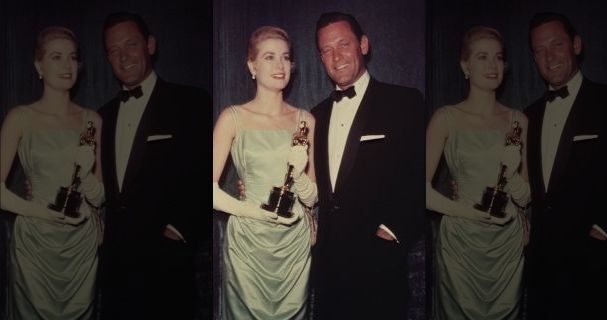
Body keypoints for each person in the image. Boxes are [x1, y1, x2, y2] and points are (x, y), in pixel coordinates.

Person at [97, 12, 212, 319]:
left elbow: (205, 173)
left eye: (130, 44)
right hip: (114, 268)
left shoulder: (190, 102)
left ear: (149, 45)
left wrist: (181, 229)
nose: (123, 56)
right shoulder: (101, 117)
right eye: (113, 50)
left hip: (167, 265)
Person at [311, 12, 425, 319]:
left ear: (363, 45)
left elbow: (420, 175)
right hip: (328, 267)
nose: (336, 57)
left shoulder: (403, 102)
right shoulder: (314, 116)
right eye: (326, 50)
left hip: (379, 263)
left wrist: (394, 231)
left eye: (343, 44)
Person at [524, 12, 607, 320]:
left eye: (556, 44)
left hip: (592, 267)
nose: (549, 56)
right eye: (539, 50)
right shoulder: (527, 116)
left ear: (576, 45)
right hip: (540, 272)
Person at [212, 25, 316, 319]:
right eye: (269, 57)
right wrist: (255, 212)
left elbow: (312, 196)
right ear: (251, 65)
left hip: (293, 246)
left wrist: (298, 174)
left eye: (285, 57)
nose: (280, 65)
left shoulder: (305, 120)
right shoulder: (232, 117)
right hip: (248, 244)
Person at [425, 26, 530, 319]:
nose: (493, 65)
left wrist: (510, 174)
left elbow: (526, 196)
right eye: (482, 57)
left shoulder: (518, 120)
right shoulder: (446, 118)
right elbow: (420, 190)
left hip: (506, 245)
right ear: (465, 66)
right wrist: (467, 211)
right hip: (461, 243)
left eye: (498, 57)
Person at [0, 26, 103, 319]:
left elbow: (101, 195)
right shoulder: (20, 118)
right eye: (56, 57)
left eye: (72, 57)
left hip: (80, 245)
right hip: (35, 244)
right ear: (39, 66)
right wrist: (42, 212)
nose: (67, 65)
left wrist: (85, 174)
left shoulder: (91, 121)